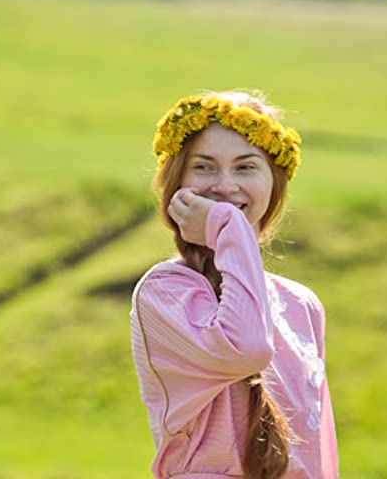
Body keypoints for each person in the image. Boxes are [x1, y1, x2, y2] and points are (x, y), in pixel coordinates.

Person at [129, 91, 339, 479]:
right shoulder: (164, 294)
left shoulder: (301, 304)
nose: (225, 186)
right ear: (176, 182)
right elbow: (247, 348)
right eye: (204, 167)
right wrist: (228, 228)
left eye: (246, 168)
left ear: (273, 185)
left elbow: (319, 451)